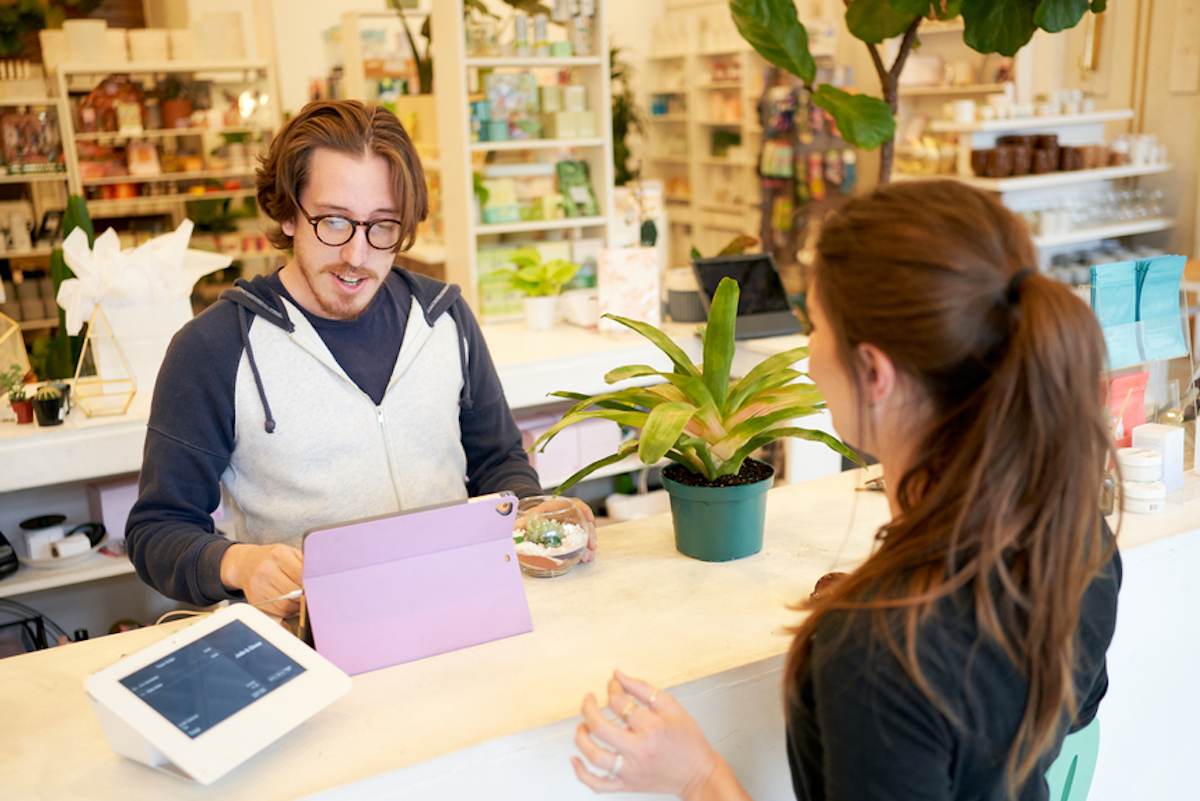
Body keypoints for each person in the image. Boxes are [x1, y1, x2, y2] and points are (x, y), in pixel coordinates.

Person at [570, 180, 1121, 801]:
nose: (808, 353)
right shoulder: (1077, 534)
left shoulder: (879, 653)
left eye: (817, 324)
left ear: (875, 372)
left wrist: (699, 778)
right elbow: (1066, 715)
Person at [126, 100, 592, 617]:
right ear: (286, 213)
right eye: (333, 222)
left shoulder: (443, 319)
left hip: (459, 608)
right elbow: (157, 530)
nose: (357, 254)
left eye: (382, 226)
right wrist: (237, 563)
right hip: (312, 635)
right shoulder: (214, 348)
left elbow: (498, 461)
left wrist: (532, 515)